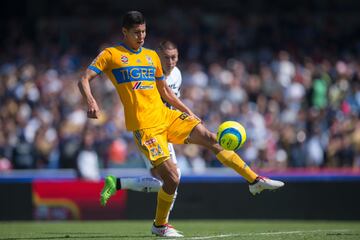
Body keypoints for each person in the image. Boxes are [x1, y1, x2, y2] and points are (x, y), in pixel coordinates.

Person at [78, 11, 284, 237]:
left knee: (212, 138)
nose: (141, 36)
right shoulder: (111, 54)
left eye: (144, 31)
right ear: (124, 32)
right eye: (136, 32)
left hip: (167, 117)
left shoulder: (151, 56)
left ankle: (254, 180)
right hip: (146, 127)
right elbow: (84, 78)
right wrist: (91, 100)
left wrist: (188, 111)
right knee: (172, 178)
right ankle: (159, 225)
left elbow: (164, 91)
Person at [103, 40, 183, 223]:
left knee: (169, 181)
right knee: (173, 179)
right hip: (149, 131)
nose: (170, 62)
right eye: (166, 58)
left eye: (174, 58)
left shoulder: (177, 74)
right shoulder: (149, 76)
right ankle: (162, 224)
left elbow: (172, 102)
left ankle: (116, 183)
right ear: (157, 57)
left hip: (165, 128)